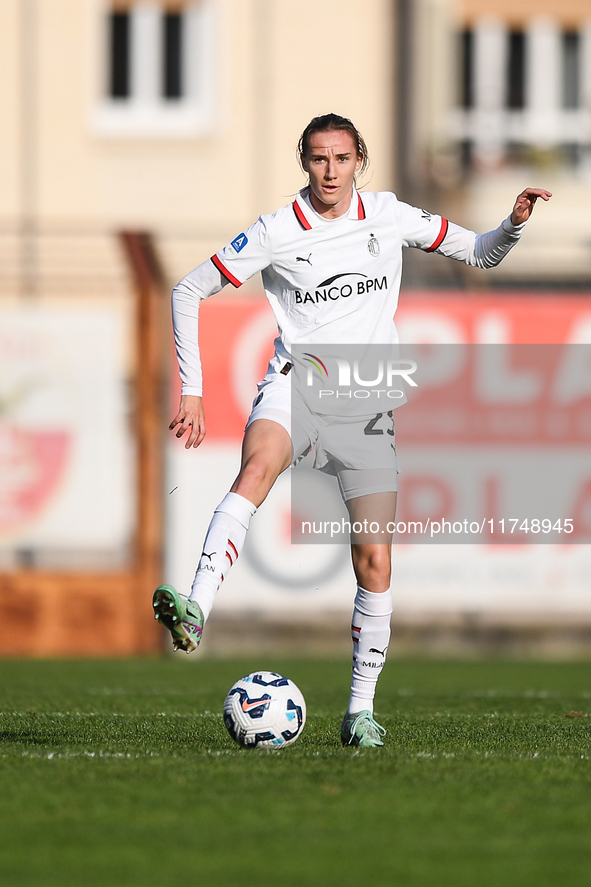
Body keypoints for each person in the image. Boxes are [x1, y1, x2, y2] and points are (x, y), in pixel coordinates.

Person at [153, 113, 551, 748]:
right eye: (317, 159)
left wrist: (513, 225)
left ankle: (359, 711)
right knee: (255, 470)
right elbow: (186, 290)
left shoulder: (389, 215)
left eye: (340, 158)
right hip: (295, 380)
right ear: (304, 163)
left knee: (374, 558)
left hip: (365, 393)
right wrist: (193, 392)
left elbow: (479, 252)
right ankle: (197, 610)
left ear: (359, 160)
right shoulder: (277, 230)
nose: (329, 171)